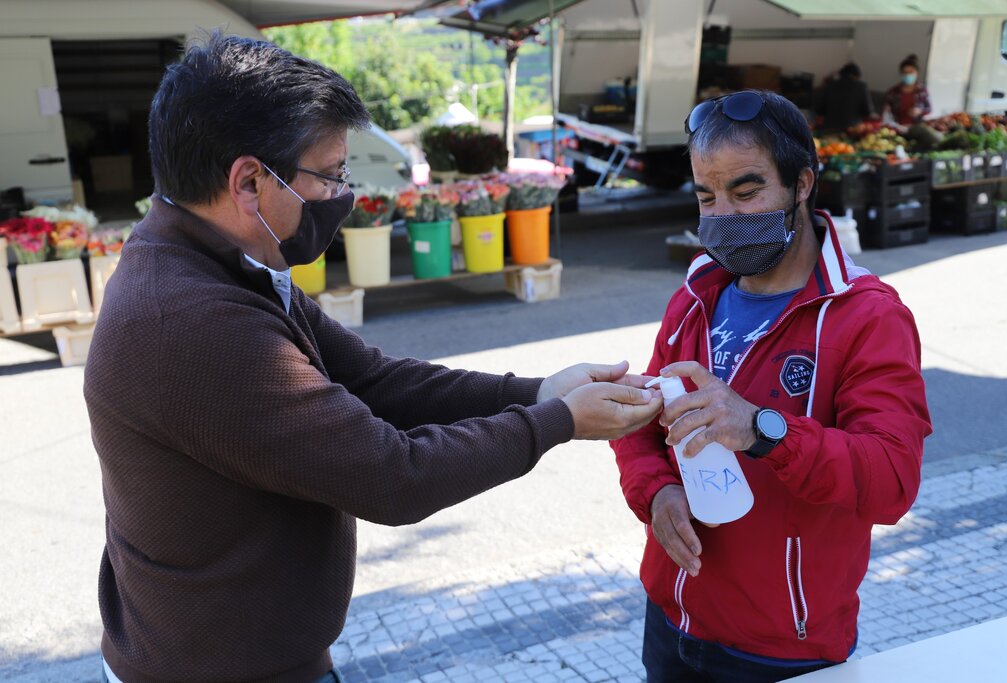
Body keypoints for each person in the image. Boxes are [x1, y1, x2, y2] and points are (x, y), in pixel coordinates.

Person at [83, 32, 664, 683]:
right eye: (329, 173)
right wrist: (558, 420)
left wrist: (538, 390)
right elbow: (393, 475)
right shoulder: (194, 323)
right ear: (248, 180)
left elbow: (370, 378)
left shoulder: (211, 259)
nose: (343, 192)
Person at [611, 90, 931, 682]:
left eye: (747, 191)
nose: (724, 217)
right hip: (671, 616)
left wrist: (763, 429)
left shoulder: (867, 317)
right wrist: (654, 494)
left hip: (782, 648)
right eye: (707, 197)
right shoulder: (692, 300)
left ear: (803, 183)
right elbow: (642, 426)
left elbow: (891, 480)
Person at [814, 62, 874, 133]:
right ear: (857, 75)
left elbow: (819, 109)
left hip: (829, 129)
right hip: (852, 131)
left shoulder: (830, 85)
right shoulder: (862, 87)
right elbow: (868, 112)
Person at [883, 54, 931, 126]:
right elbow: (886, 109)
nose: (908, 75)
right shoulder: (893, 92)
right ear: (901, 73)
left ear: (916, 73)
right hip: (897, 127)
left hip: (917, 127)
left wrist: (919, 111)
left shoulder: (921, 90)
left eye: (911, 72)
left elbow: (929, 108)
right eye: (905, 73)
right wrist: (886, 110)